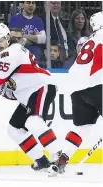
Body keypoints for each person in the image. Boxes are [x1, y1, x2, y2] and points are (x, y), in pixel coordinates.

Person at [0, 23, 63, 171]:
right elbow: (5, 87)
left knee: (34, 122)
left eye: (0, 40)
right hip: (29, 94)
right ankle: (41, 160)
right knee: (14, 129)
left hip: (40, 87)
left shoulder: (9, 53)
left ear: (8, 38)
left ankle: (59, 156)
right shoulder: (10, 53)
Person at [47, 11, 103, 177]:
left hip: (77, 89)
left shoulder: (91, 39)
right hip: (96, 85)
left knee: (81, 128)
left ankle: (63, 159)